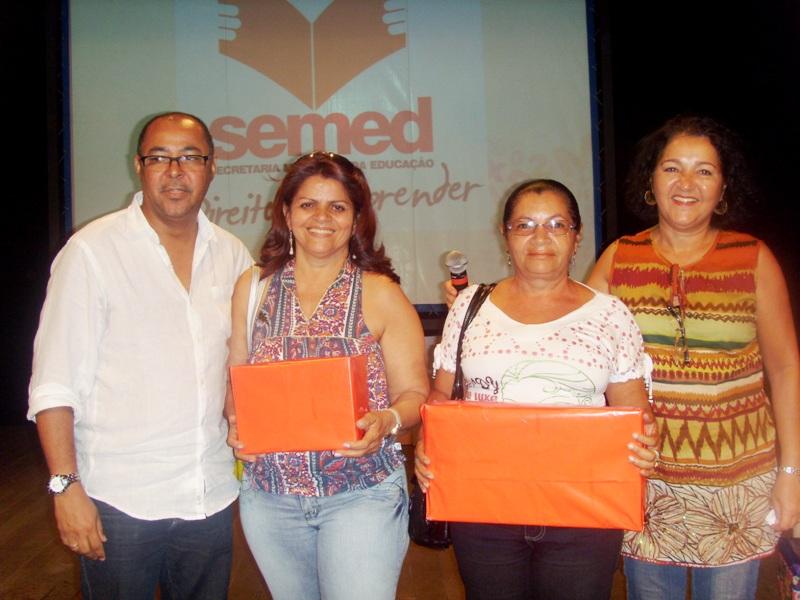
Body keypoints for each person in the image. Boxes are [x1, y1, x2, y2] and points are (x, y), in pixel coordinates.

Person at [28, 112, 252, 599]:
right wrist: (65, 486)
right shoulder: (91, 252)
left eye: (190, 157)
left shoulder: (233, 255)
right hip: (120, 501)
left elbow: (240, 369)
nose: (175, 171)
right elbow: (54, 382)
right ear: (139, 166)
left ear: (212, 167)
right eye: (159, 158)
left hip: (209, 497)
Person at [585, 115, 800, 600]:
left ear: (723, 188)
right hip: (646, 482)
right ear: (650, 181)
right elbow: (573, 345)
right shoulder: (619, 258)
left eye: (704, 171)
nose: (686, 183)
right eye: (671, 168)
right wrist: (488, 304)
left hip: (736, 488)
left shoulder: (753, 258)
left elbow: (786, 370)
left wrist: (792, 474)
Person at [416, 178, 659, 600]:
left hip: (583, 510)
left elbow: (635, 414)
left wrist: (648, 442)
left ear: (577, 237)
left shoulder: (610, 314)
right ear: (506, 236)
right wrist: (427, 439)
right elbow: (441, 395)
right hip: (484, 505)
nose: (541, 237)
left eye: (557, 224)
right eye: (525, 225)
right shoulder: (470, 307)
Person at [226, 151, 429, 600]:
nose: (321, 217)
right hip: (270, 497)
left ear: (356, 219)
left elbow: (416, 394)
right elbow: (236, 380)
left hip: (361, 494)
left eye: (337, 206)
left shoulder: (381, 293)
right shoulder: (253, 287)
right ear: (286, 213)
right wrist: (238, 426)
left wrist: (387, 421)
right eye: (307, 204)